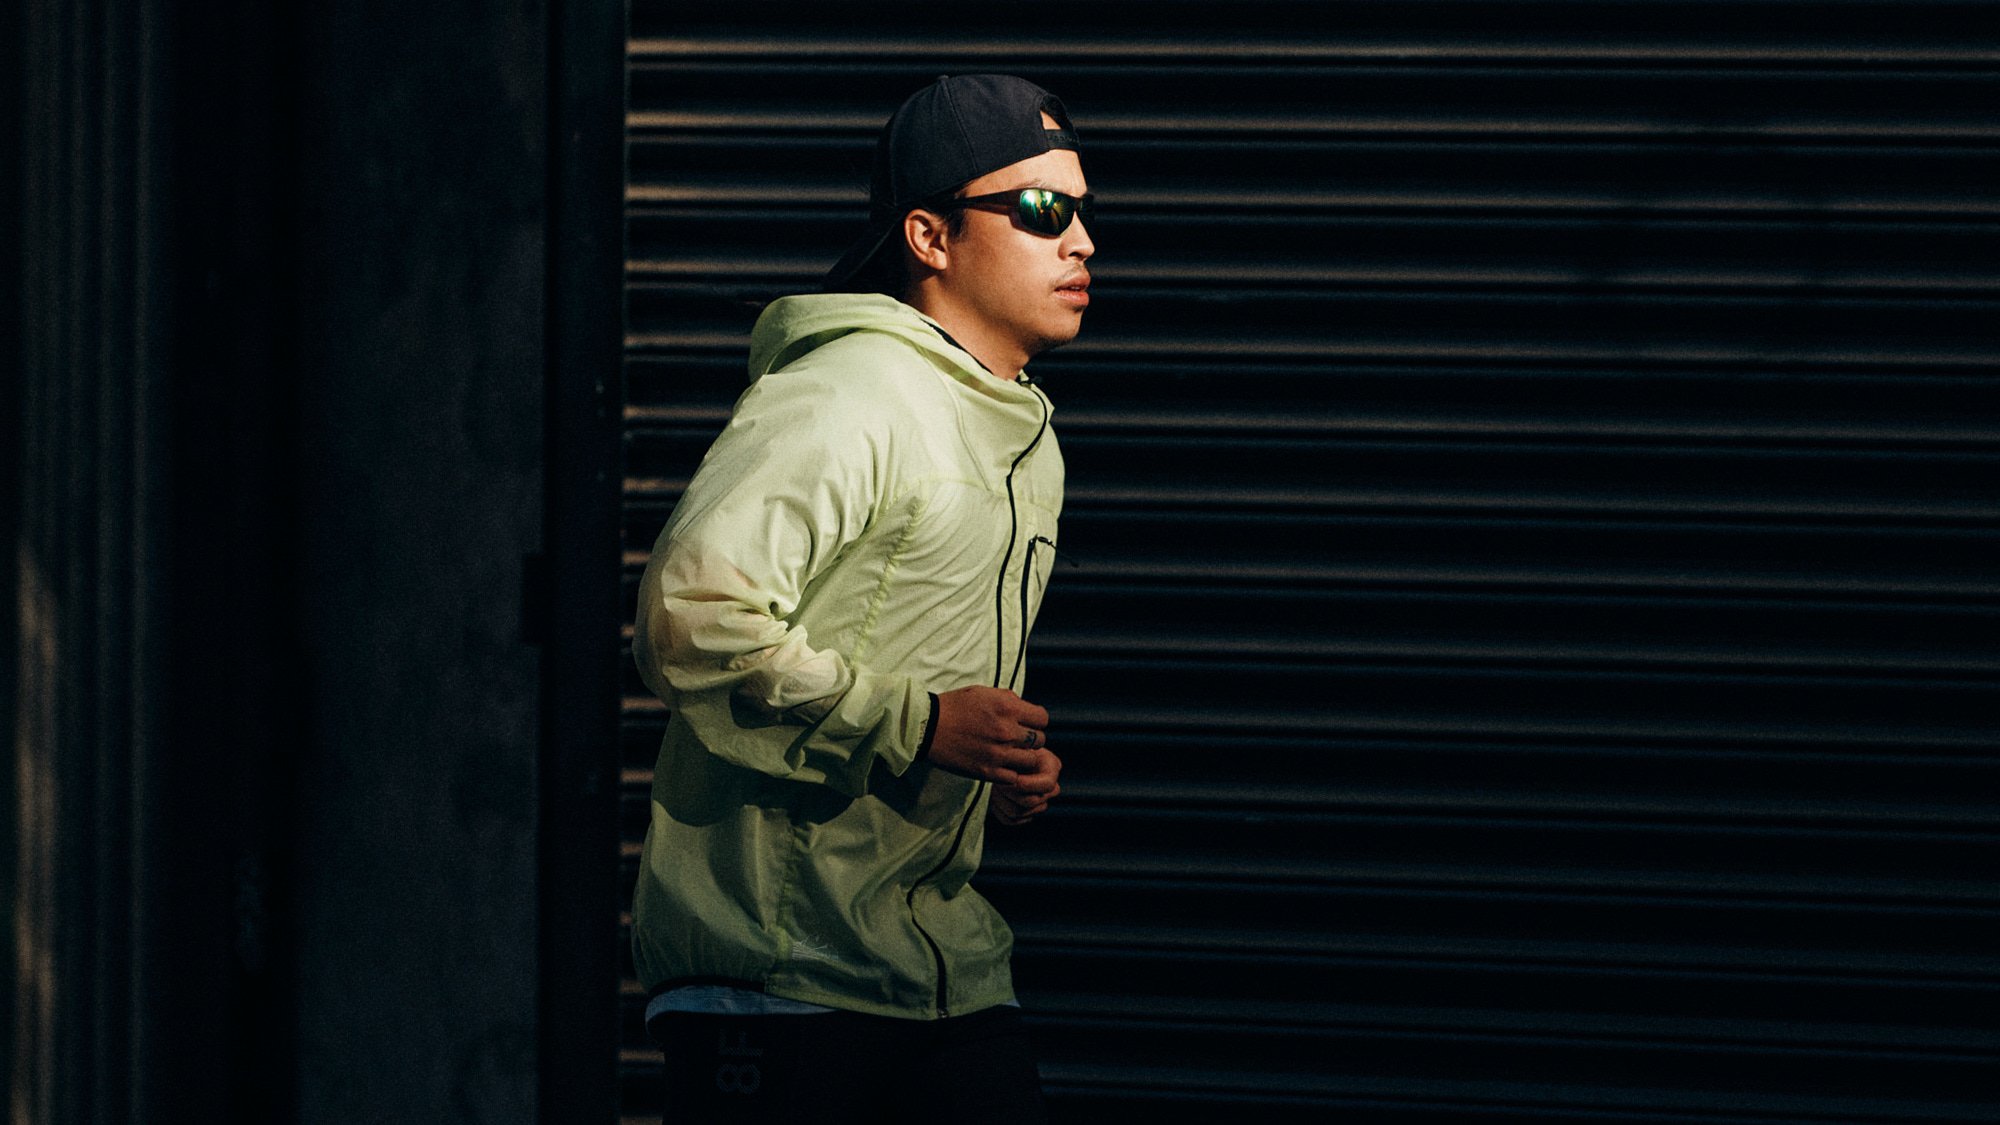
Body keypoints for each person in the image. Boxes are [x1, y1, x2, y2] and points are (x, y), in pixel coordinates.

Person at [629, 74, 1096, 1123]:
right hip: (783, 969)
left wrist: (987, 766)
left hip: (936, 964)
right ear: (930, 236)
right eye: (1040, 209)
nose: (1081, 241)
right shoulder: (849, 393)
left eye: (1081, 210)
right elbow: (691, 616)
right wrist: (920, 725)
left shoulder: (1022, 433)